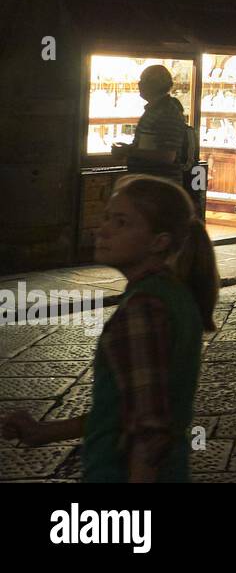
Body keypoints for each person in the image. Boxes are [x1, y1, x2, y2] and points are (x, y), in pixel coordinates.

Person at [1, 175, 218, 481]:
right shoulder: (172, 295)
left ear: (159, 241)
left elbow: (149, 430)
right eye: (106, 218)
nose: (103, 231)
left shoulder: (143, 307)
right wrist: (45, 431)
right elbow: (122, 411)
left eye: (121, 222)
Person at [110, 64, 189, 185]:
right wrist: (130, 149)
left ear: (154, 84)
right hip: (150, 185)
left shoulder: (167, 113)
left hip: (160, 188)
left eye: (143, 80)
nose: (139, 84)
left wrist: (129, 151)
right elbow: (149, 146)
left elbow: (167, 156)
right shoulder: (156, 110)